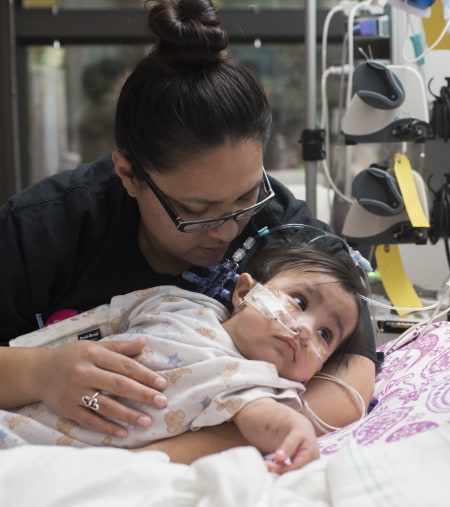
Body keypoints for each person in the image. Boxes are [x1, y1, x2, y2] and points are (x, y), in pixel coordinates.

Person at [0, 0, 379, 463]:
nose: (227, 231)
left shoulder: (286, 238)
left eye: (245, 198)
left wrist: (157, 459)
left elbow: (355, 373)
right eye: (197, 209)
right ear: (129, 175)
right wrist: (37, 373)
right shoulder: (47, 227)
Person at [2, 241, 368, 473]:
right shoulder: (175, 303)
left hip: (56, 461)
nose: (305, 330)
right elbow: (96, 326)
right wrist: (36, 355)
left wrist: (295, 431)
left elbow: (267, 421)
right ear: (243, 292)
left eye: (326, 335)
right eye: (300, 302)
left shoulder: (258, 384)